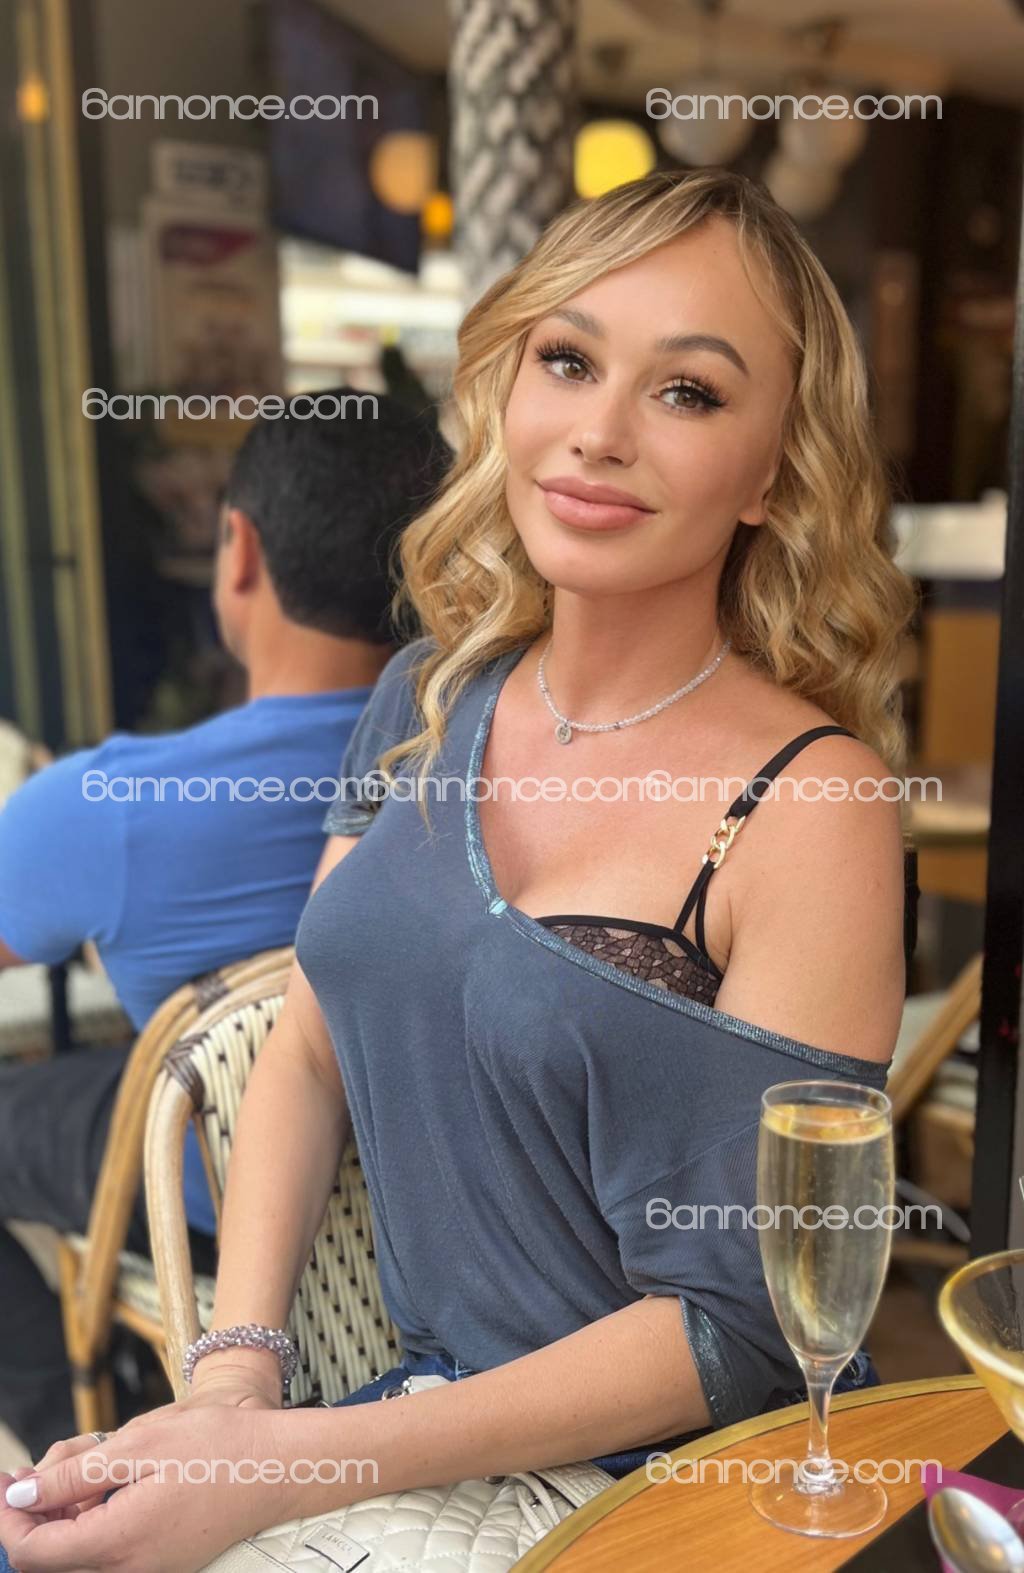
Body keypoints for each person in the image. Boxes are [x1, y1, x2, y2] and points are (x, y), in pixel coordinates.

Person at [0, 169, 916, 1573]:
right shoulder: (431, 692)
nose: (599, 432)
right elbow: (310, 1045)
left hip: (690, 1498)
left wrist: (293, 1463)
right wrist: (235, 1377)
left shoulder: (813, 803)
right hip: (426, 1440)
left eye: (687, 392)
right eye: (569, 360)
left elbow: (746, 1324)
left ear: (773, 475)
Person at [0, 389, 452, 1462]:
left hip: (215, 1201)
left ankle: (67, 1427)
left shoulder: (105, 805)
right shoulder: (484, 755)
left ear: (238, 550)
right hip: (444, 1203)